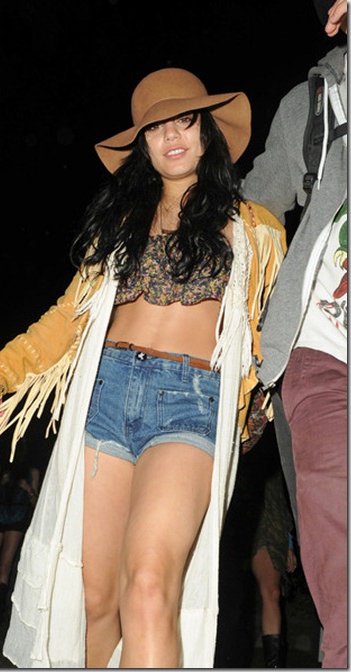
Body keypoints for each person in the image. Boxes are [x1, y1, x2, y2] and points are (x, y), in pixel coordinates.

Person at [0, 67, 286, 668]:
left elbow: (276, 333)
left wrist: (259, 406)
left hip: (190, 404)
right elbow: (66, 318)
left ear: (207, 132)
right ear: (142, 144)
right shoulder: (118, 227)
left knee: (150, 586)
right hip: (105, 397)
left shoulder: (255, 227)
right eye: (155, 127)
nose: (172, 135)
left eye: (184, 121)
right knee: (97, 600)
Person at [242, 0, 347, 667]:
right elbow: (255, 205)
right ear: (338, 14)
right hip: (321, 348)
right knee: (333, 513)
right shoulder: (312, 105)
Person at [250, 456, 297, 668]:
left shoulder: (277, 454)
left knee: (272, 592)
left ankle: (273, 666)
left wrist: (289, 544)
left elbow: (281, 500)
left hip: (270, 528)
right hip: (239, 523)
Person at [0, 458, 38, 628]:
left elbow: (36, 503)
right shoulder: (0, 469)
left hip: (17, 517)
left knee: (5, 566)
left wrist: (28, 489)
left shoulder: (32, 471)